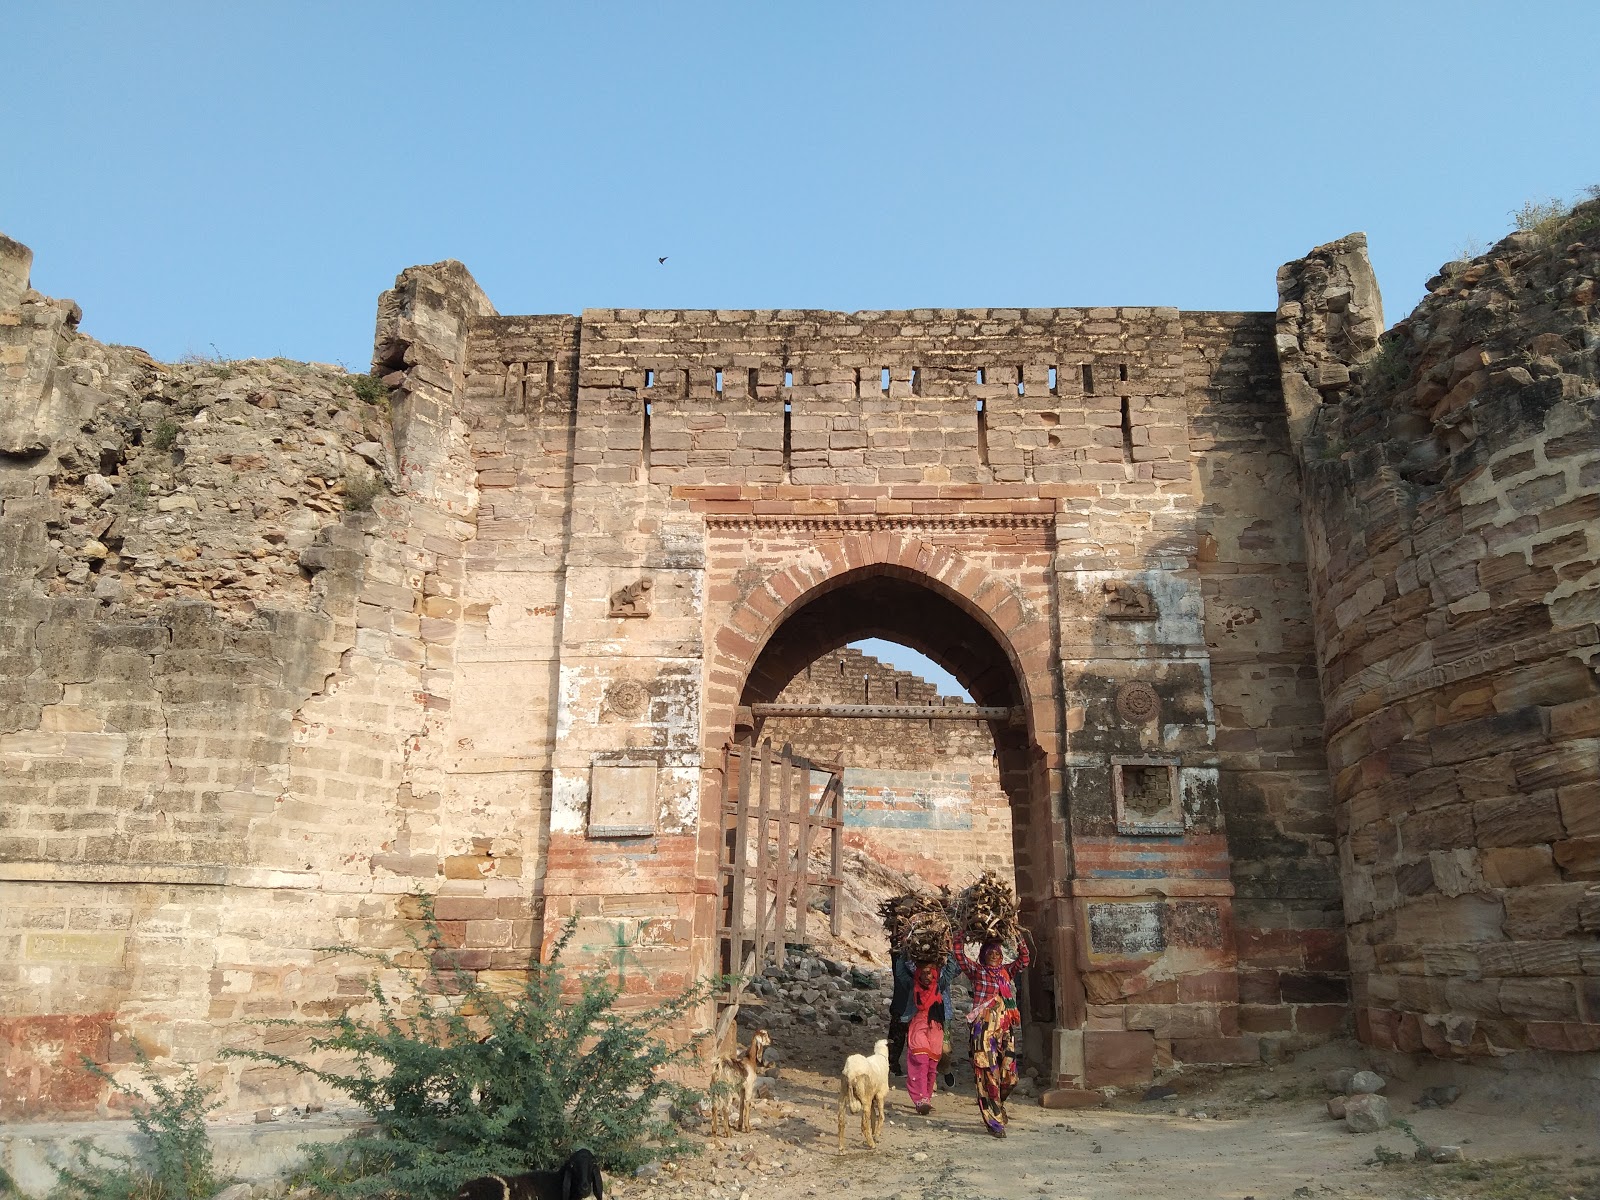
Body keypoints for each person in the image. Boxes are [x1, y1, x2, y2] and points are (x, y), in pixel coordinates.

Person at [953, 935, 1030, 1137]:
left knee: (1010, 1077)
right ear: (983, 956)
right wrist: (960, 932)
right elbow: (959, 954)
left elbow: (1024, 959)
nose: (994, 956)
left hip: (1004, 1029)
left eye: (997, 953)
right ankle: (993, 1121)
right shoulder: (977, 972)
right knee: (987, 1075)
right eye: (990, 953)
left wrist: (1017, 935)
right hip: (983, 1030)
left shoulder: (1006, 972)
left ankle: (997, 1104)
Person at [892, 954, 959, 1114]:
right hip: (917, 1024)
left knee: (931, 1064)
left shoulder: (940, 985)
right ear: (917, 973)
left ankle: (926, 1097)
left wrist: (949, 952)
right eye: (922, 972)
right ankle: (919, 1099)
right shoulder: (912, 984)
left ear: (934, 973)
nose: (926, 976)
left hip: (936, 1026)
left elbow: (951, 970)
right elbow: (900, 972)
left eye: (929, 973)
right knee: (919, 1059)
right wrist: (903, 951)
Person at [886, 947, 911, 1076]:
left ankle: (892, 1065)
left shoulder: (904, 966)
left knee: (899, 1039)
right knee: (898, 1039)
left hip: (901, 1006)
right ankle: (892, 1066)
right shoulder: (905, 967)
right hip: (902, 1007)